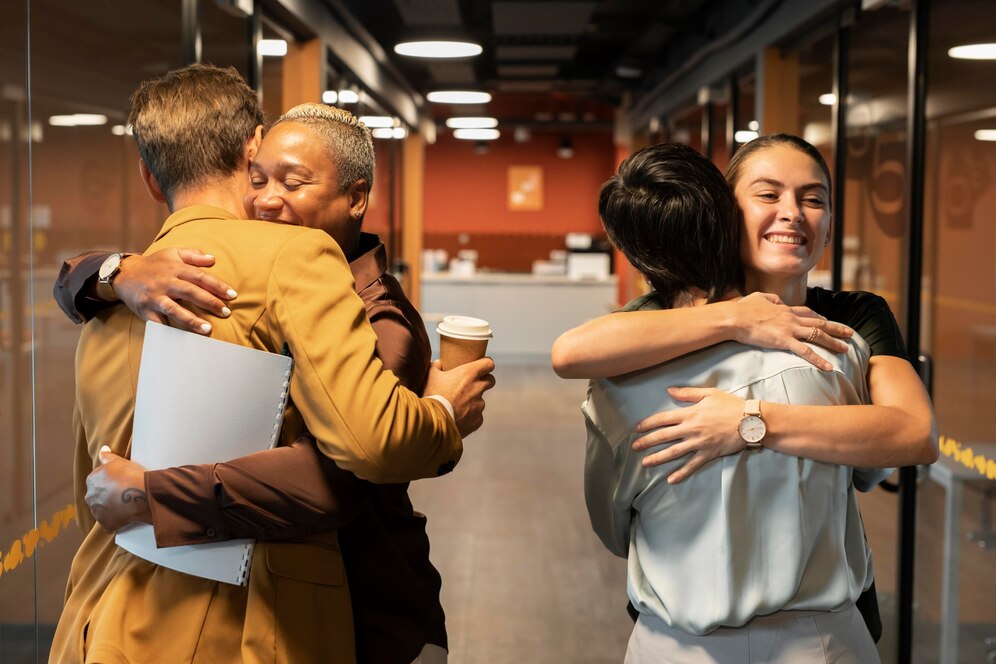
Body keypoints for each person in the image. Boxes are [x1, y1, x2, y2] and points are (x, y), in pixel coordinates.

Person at [50, 65, 494, 664]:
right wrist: (444, 412)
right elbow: (362, 455)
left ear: (148, 181)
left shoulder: (118, 291)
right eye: (264, 177)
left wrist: (109, 273)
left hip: (103, 615)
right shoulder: (290, 259)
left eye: (296, 181)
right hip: (238, 621)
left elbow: (92, 493)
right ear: (249, 151)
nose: (271, 198)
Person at [553, 134, 938, 640]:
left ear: (829, 230)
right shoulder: (667, 319)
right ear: (726, 216)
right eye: (768, 194)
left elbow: (914, 433)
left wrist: (751, 422)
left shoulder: (850, 321)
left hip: (827, 615)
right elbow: (570, 353)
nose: (793, 213)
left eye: (813, 198)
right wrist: (737, 318)